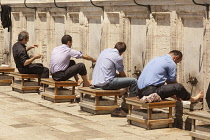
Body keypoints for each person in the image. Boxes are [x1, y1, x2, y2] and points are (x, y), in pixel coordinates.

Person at [137, 50, 203, 102]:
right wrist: (179, 93)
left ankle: (185, 97)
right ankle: (193, 99)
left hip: (139, 92)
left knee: (172, 87)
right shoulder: (171, 63)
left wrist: (175, 96)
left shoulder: (156, 59)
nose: (176, 64)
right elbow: (173, 83)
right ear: (175, 58)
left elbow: (167, 84)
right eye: (178, 62)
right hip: (150, 92)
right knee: (178, 87)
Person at [92, 42, 138, 117]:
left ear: (114, 47)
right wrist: (126, 88)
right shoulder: (117, 57)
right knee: (133, 81)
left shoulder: (105, 51)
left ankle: (124, 99)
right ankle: (127, 108)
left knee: (121, 80)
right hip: (105, 84)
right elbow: (122, 74)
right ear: (122, 52)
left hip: (96, 82)